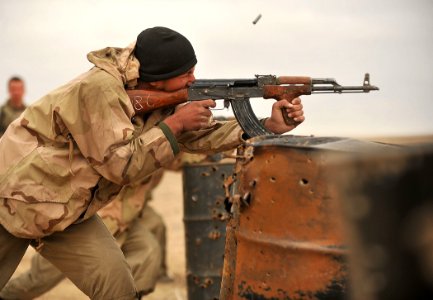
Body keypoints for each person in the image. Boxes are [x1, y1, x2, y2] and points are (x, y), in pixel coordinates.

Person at [0, 26, 304, 299]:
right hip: (12, 201)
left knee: (117, 288)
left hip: (67, 210)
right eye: (186, 74)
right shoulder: (101, 89)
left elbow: (197, 136)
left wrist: (267, 125)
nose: (193, 80)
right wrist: (175, 126)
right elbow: (121, 165)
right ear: (158, 79)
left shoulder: (154, 99)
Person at [0, 170, 167, 299]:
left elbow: (177, 155)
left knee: (148, 249)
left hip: (126, 218)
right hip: (87, 216)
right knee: (38, 279)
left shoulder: (157, 132)